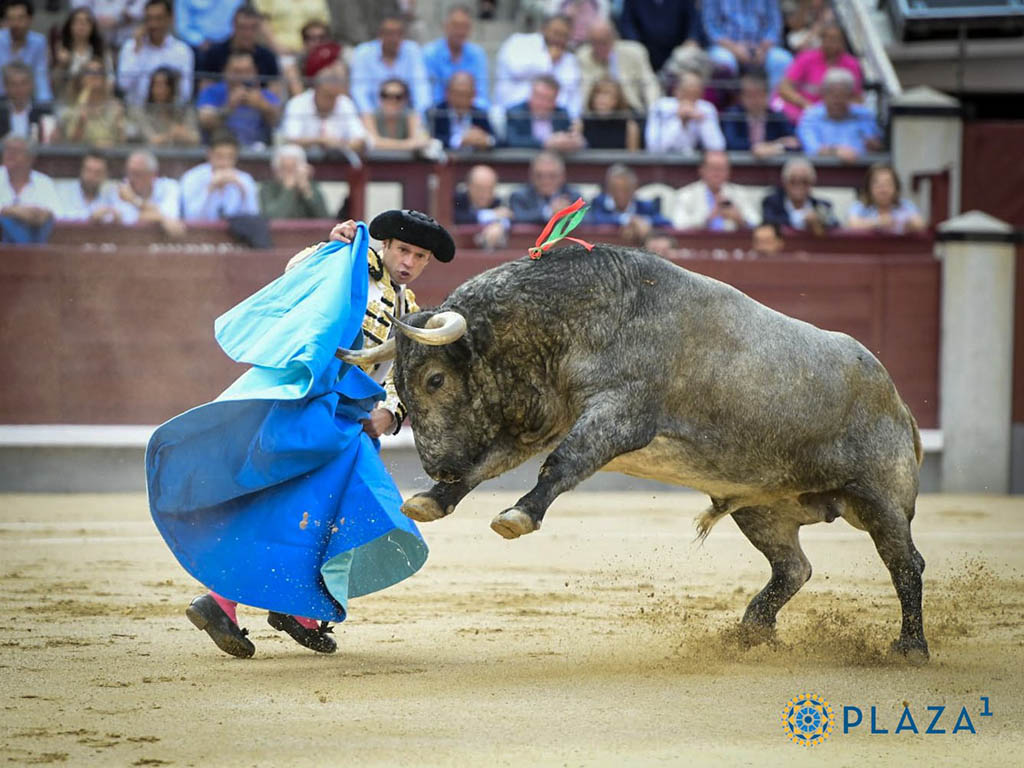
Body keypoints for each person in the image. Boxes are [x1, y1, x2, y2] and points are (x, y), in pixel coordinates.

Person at [166, 209, 456, 658]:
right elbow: (297, 275)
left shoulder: (408, 307)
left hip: (351, 419)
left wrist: (393, 414)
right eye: (402, 250)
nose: (408, 262)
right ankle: (239, 601)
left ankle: (278, 605)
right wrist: (333, 245)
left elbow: (404, 372)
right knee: (309, 505)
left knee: (323, 508)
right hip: (314, 409)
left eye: (419, 256)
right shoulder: (347, 261)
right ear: (386, 246)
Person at [493, 14, 581, 119]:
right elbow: (516, 69)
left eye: (564, 35)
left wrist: (573, 119)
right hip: (513, 113)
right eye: (556, 33)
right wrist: (549, 59)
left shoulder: (570, 60)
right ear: (543, 29)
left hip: (554, 119)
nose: (559, 39)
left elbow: (573, 94)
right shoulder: (519, 41)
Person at [775, 21, 861, 124]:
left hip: (838, 116)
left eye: (836, 40)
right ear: (822, 39)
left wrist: (837, 109)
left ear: (843, 42)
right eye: (828, 38)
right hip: (804, 110)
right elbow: (784, 88)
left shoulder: (852, 64)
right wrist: (805, 104)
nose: (832, 43)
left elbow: (857, 97)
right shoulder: (806, 58)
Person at [196, 51, 282, 148]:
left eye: (247, 71)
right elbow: (204, 121)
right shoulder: (212, 92)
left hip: (258, 150)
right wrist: (228, 107)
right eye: (237, 72)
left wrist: (262, 105)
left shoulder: (265, 95)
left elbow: (279, 122)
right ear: (226, 72)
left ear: (255, 73)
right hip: (222, 148)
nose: (242, 77)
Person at [702, 0, 793, 92]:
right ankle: (728, 103)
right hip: (726, 47)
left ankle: (773, 104)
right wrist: (734, 49)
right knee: (724, 61)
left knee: (781, 60)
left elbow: (774, 25)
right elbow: (711, 28)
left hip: (762, 48)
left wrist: (763, 49)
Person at [116, 0, 194, 107]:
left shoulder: (182, 51)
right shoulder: (131, 47)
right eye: (149, 19)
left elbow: (186, 93)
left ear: (170, 19)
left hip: (170, 113)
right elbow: (123, 85)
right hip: (136, 112)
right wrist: (137, 50)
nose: (153, 25)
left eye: (159, 18)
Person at [349, 14, 431, 115]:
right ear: (380, 34)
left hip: (406, 118)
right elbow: (359, 92)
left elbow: (421, 89)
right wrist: (369, 121)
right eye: (389, 33)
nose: (394, 38)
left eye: (398, 34)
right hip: (373, 116)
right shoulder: (363, 53)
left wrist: (419, 118)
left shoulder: (413, 50)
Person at [576, 19, 661, 115]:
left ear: (614, 38)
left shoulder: (634, 52)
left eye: (604, 41)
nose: (600, 46)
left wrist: (653, 110)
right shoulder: (584, 56)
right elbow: (583, 92)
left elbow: (649, 83)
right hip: (597, 113)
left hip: (631, 109)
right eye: (595, 42)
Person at [279, 63, 368, 153]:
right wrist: (321, 140)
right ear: (317, 89)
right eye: (327, 96)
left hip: (338, 161)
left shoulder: (345, 102)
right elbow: (290, 139)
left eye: (334, 96)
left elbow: (361, 139)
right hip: (303, 161)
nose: (331, 100)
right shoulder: (297, 103)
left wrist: (342, 145)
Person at [796, 67, 881, 161]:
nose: (836, 100)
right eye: (832, 94)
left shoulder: (863, 115)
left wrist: (874, 145)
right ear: (824, 94)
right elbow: (812, 149)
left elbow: (876, 145)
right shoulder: (810, 116)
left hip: (862, 168)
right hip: (823, 169)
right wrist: (836, 151)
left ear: (850, 96)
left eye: (842, 95)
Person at [196, 5, 280, 90]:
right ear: (233, 26)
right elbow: (204, 91)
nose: (247, 34)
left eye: (253, 28)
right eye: (243, 28)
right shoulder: (214, 53)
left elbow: (275, 96)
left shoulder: (268, 57)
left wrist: (259, 101)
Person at [179, 132, 259, 221]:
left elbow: (253, 219)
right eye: (219, 156)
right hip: (201, 233)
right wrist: (210, 189)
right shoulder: (192, 178)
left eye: (230, 157)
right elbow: (191, 218)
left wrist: (242, 191)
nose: (224, 163)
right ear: (209, 154)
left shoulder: (245, 180)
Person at [671, 149, 758, 230]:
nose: (717, 174)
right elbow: (678, 224)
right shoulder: (686, 194)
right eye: (713, 169)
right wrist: (707, 219)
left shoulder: (739, 193)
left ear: (728, 172)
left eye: (721, 169)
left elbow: (757, 222)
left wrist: (740, 219)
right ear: (702, 170)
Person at [423, 4, 488, 109]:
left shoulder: (478, 54)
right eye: (456, 26)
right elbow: (430, 96)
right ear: (445, 26)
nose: (460, 31)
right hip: (440, 114)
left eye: (465, 27)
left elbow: (481, 96)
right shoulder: (430, 53)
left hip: (470, 113)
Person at [645, 70, 724, 155]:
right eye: (687, 89)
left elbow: (717, 146)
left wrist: (702, 122)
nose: (692, 92)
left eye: (696, 90)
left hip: (696, 163)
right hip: (662, 162)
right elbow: (654, 147)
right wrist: (680, 121)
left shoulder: (707, 108)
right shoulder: (660, 106)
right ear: (676, 90)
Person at [587, 163, 670, 243]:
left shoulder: (644, 206)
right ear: (608, 190)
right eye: (615, 189)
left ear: (634, 189)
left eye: (626, 189)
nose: (620, 194)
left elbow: (666, 223)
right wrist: (627, 220)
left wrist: (643, 221)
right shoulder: (598, 203)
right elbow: (593, 219)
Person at [721, 70, 797, 157]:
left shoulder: (777, 116)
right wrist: (756, 148)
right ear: (741, 96)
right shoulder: (732, 115)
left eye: (759, 94)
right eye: (749, 95)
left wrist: (775, 146)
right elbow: (730, 143)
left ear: (767, 94)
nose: (755, 100)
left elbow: (794, 143)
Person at [0, 135, 60, 243]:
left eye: (16, 151)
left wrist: (40, 216)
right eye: (7, 150)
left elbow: (56, 213)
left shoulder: (44, 183)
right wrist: (12, 211)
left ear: (30, 158)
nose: (9, 154)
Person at [618, 0, 703, 73]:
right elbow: (627, 23)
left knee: (691, 54)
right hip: (644, 48)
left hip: (677, 48)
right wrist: (635, 42)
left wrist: (692, 38)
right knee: (633, 52)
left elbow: (694, 20)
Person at [113, 149, 184, 236]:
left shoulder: (169, 186)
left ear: (153, 175)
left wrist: (134, 200)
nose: (131, 178)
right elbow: (129, 220)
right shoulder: (121, 188)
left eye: (137, 174)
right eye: (129, 172)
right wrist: (162, 218)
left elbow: (171, 217)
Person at [57, 58, 126, 146]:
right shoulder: (73, 107)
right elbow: (71, 144)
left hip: (111, 154)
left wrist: (119, 125)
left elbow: (122, 142)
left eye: (99, 71)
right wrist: (81, 123)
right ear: (82, 79)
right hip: (84, 155)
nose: (95, 75)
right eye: (90, 72)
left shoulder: (115, 106)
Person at [503, 74, 582, 152]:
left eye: (547, 99)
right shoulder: (515, 113)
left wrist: (574, 140)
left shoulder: (562, 114)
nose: (541, 103)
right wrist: (545, 143)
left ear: (555, 100)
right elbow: (511, 140)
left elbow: (574, 139)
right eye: (538, 96)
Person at [760, 156, 838, 234]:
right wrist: (802, 219)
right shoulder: (771, 203)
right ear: (784, 182)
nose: (799, 186)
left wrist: (820, 221)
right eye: (793, 181)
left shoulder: (822, 205)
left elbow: (835, 225)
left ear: (812, 183)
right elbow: (770, 222)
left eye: (804, 181)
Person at [50, 6, 113, 101]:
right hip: (67, 102)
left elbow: (110, 81)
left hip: (95, 103)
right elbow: (54, 85)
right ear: (70, 26)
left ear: (92, 27)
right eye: (77, 21)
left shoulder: (101, 50)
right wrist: (61, 65)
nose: (81, 25)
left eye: (86, 22)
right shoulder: (61, 50)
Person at [128, 65, 200, 146]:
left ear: (172, 87)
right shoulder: (141, 111)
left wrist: (182, 133)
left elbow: (196, 138)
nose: (159, 90)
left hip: (180, 156)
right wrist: (172, 134)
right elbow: (152, 140)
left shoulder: (184, 110)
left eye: (164, 85)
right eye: (155, 85)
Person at [846, 163, 926, 234]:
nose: (883, 189)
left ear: (896, 187)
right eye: (878, 185)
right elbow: (852, 224)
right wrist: (879, 222)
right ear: (868, 188)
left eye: (888, 184)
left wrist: (909, 225)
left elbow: (920, 224)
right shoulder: (860, 206)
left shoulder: (905, 205)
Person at [509, 150, 581, 224]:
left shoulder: (574, 196)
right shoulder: (519, 197)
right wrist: (549, 212)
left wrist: (569, 213)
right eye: (539, 176)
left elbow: (587, 219)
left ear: (562, 176)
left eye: (552, 176)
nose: (545, 181)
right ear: (531, 176)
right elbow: (518, 217)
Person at [427, 71, 494, 151]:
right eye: (457, 94)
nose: (461, 100)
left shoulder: (479, 114)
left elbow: (497, 140)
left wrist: (486, 140)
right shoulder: (436, 113)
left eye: (466, 94)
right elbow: (432, 139)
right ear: (447, 93)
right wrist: (459, 140)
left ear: (474, 95)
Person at [0, 0, 52, 104]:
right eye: (11, 19)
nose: (15, 24)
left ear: (29, 19)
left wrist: (45, 103)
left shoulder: (39, 42)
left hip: (29, 101)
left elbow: (40, 75)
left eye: (20, 18)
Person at [259, 143, 329, 219]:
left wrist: (307, 191)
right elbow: (274, 218)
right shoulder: (267, 188)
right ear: (276, 170)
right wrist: (288, 189)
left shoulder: (310, 186)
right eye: (285, 169)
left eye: (293, 169)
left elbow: (323, 217)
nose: (290, 175)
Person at [363, 77, 432, 152]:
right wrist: (407, 145)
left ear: (406, 99)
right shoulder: (369, 116)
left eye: (398, 97)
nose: (392, 100)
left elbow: (421, 141)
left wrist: (383, 144)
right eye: (385, 95)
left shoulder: (412, 115)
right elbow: (372, 142)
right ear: (379, 98)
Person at [453, 163, 510, 249]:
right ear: (468, 186)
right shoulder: (457, 200)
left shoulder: (497, 202)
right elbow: (457, 217)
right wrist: (491, 215)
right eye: (480, 189)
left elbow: (508, 216)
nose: (485, 194)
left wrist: (500, 225)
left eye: (490, 189)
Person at [58, 150, 120, 223]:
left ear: (105, 176)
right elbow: (60, 220)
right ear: (81, 170)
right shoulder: (64, 193)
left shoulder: (110, 195)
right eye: (88, 170)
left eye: (97, 173)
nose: (91, 177)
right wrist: (90, 218)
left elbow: (124, 216)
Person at [0, 61, 54, 142]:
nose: (19, 89)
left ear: (31, 85)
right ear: (5, 86)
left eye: (23, 83)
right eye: (13, 84)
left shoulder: (44, 112)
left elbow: (50, 145)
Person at [581, 76, 640, 150]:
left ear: (617, 99)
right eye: (598, 94)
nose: (601, 99)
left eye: (606, 94)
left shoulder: (629, 126)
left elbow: (633, 158)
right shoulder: (581, 124)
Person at [174, 0, 244, 50]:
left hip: (230, 43)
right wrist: (199, 41)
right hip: (198, 46)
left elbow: (243, 18)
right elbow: (181, 26)